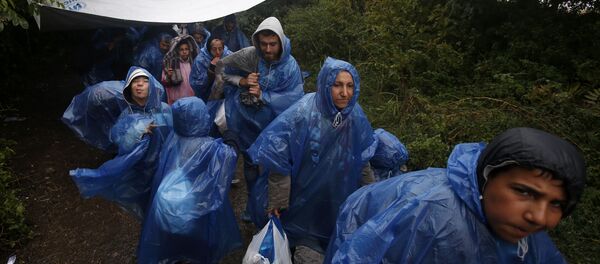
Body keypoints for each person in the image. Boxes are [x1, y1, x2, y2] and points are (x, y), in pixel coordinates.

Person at [324, 127, 586, 263]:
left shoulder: (530, 239)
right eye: (523, 191)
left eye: (556, 204)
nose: (538, 217)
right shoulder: (430, 213)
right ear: (488, 176)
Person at [247, 57, 376, 263]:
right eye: (338, 85)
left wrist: (373, 196)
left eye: (350, 86)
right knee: (304, 247)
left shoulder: (355, 116)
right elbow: (279, 155)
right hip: (301, 198)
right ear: (326, 85)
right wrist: (279, 202)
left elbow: (363, 161)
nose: (345, 93)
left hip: (335, 197)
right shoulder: (304, 112)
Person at [212, 16, 305, 220]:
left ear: (281, 41)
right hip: (247, 121)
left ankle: (274, 209)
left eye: (273, 44)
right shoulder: (250, 55)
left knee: (275, 168)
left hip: (276, 125)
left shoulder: (290, 66)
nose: (268, 49)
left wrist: (265, 96)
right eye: (263, 44)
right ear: (257, 42)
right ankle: (252, 207)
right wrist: (242, 81)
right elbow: (223, 69)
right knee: (250, 165)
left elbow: (295, 99)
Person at [137, 97, 242, 263]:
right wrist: (231, 135)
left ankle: (178, 254)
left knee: (178, 240)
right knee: (199, 240)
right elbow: (229, 157)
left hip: (169, 205)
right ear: (200, 117)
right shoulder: (206, 146)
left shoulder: (174, 138)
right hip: (195, 207)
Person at [69, 67, 172, 219]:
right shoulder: (126, 115)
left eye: (144, 81)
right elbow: (120, 142)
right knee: (149, 211)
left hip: (165, 167)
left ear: (152, 86)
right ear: (129, 88)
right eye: (135, 82)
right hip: (141, 173)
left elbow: (175, 134)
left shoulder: (165, 109)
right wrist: (138, 130)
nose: (139, 85)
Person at [189, 37, 232, 102]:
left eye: (220, 49)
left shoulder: (228, 55)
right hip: (207, 97)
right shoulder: (200, 60)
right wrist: (211, 68)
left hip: (226, 96)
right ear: (209, 49)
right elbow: (197, 84)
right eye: (214, 49)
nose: (218, 52)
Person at [161, 35, 199, 105]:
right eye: (181, 49)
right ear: (177, 51)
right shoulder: (171, 64)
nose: (184, 52)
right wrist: (169, 76)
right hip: (176, 100)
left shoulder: (193, 63)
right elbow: (165, 82)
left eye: (186, 49)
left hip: (191, 99)